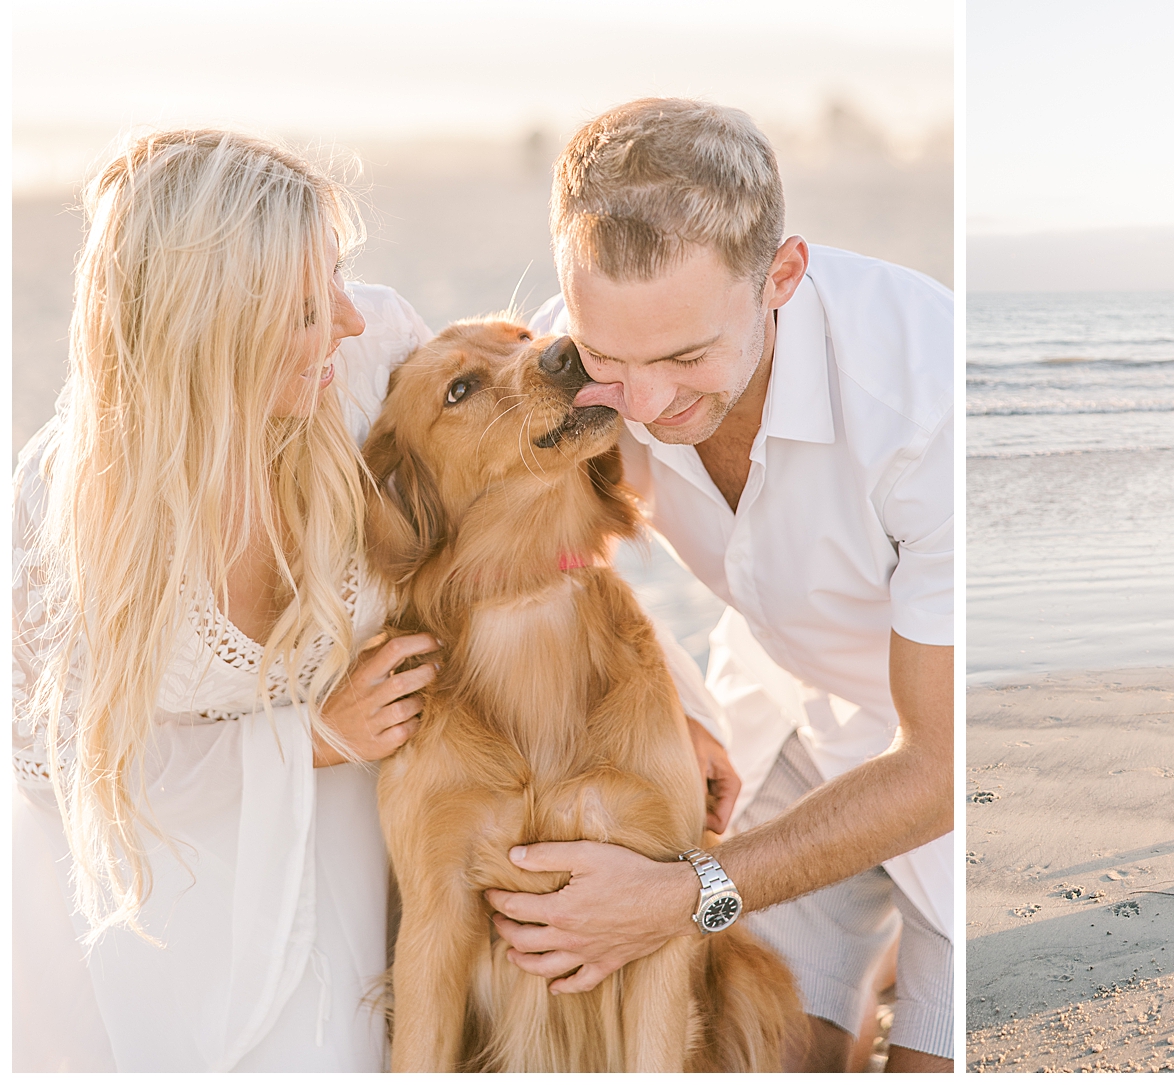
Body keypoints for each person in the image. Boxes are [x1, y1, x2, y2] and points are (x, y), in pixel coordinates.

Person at [489, 99, 955, 1071]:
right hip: (775, 710)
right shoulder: (570, 357)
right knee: (755, 1050)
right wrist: (678, 697)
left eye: (685, 358)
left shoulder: (927, 402)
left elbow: (936, 769)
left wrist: (683, 889)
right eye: (608, 357)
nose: (646, 406)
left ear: (781, 275)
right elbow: (565, 561)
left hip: (941, 760)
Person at [11, 129, 440, 1070]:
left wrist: (685, 706)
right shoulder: (72, 500)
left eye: (338, 274)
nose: (349, 319)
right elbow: (59, 776)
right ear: (206, 332)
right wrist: (311, 740)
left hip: (372, 858)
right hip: (177, 906)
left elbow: (534, 514)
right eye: (301, 309)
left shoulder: (372, 369)